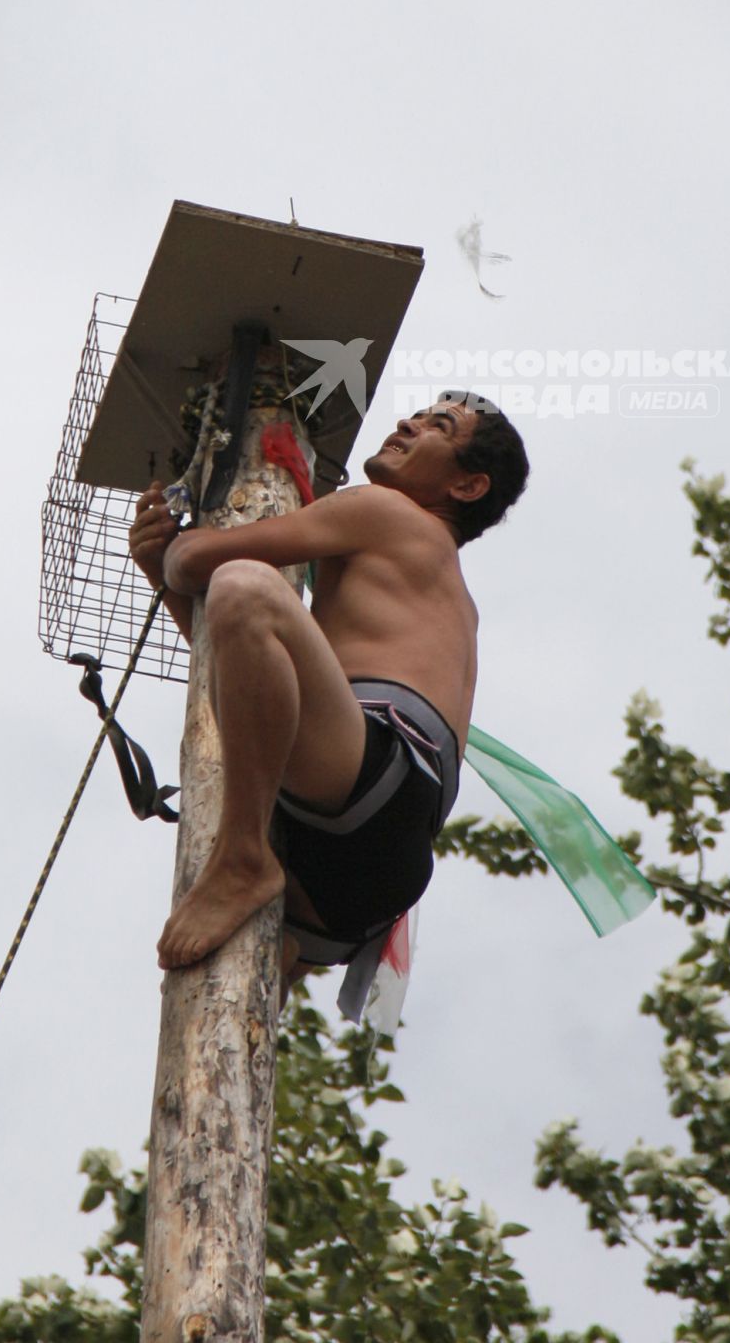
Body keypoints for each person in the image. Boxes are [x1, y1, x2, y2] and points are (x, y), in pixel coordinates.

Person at [127, 392, 529, 1002]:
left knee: (243, 584)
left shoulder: (386, 512)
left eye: (437, 426)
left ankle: (242, 856)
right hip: (362, 860)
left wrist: (177, 553)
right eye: (418, 413)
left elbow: (205, 567)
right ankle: (285, 938)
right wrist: (161, 566)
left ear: (468, 487)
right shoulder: (438, 587)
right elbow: (256, 684)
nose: (408, 423)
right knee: (227, 1008)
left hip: (380, 772)